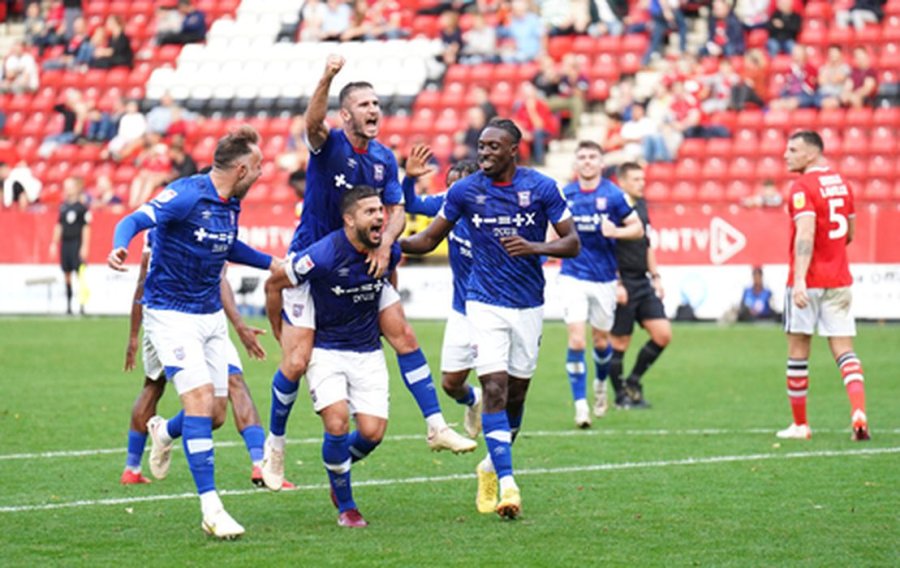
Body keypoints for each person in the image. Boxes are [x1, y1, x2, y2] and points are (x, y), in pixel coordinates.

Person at [259, 55, 475, 492]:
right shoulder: (329, 143)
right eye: (364, 104)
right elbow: (313, 122)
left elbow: (397, 210)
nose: (374, 110)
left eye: (377, 103)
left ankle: (435, 425)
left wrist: (385, 242)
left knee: (405, 337)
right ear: (346, 113)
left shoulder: (382, 159)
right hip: (313, 259)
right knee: (297, 362)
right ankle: (275, 444)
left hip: (362, 260)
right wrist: (326, 77)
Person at [401, 118, 581, 519]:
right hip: (482, 303)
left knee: (516, 395)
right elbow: (428, 238)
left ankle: (491, 464)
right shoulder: (465, 191)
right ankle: (508, 483)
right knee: (494, 388)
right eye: (481, 146)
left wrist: (534, 246)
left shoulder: (541, 187)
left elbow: (572, 242)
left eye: (493, 147)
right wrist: (389, 247)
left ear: (513, 149)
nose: (483, 153)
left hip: (529, 304)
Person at [108, 125, 279, 539]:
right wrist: (120, 245)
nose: (261, 174)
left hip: (209, 316)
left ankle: (164, 431)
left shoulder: (230, 203)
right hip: (171, 313)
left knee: (216, 413)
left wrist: (273, 263)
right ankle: (212, 508)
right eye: (257, 167)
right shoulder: (186, 194)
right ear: (240, 169)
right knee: (201, 400)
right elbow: (135, 218)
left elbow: (228, 246)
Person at [264, 186, 400, 528]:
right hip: (325, 347)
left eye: (380, 211)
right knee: (336, 420)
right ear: (349, 218)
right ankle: (347, 506)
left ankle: (337, 469)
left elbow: (391, 274)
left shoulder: (387, 249)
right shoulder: (322, 254)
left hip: (366, 349)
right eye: (370, 212)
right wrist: (279, 328)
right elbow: (275, 282)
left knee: (372, 433)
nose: (380, 217)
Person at [121, 230, 295, 490]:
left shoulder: (214, 220)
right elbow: (143, 279)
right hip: (165, 320)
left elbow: (219, 278)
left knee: (231, 385)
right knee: (155, 385)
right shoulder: (166, 223)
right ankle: (134, 466)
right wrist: (135, 333)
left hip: (206, 319)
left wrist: (238, 326)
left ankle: (261, 464)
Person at [778, 130, 869, 442]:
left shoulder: (802, 187)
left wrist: (801, 278)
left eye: (793, 150)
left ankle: (800, 425)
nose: (785, 155)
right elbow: (851, 233)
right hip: (839, 278)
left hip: (809, 280)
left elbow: (805, 232)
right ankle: (858, 411)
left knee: (798, 350)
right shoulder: (842, 185)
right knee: (844, 350)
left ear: (811, 154)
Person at [559, 142, 643, 427]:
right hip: (572, 275)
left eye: (592, 157)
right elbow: (551, 228)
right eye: (581, 157)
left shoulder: (613, 194)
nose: (586, 162)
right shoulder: (565, 194)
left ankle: (600, 384)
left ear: (601, 162)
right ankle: (580, 406)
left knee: (601, 340)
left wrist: (616, 231)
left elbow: (638, 228)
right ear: (576, 162)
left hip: (605, 279)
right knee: (577, 339)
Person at [403, 153, 483, 437]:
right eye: (449, 187)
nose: (451, 194)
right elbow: (410, 204)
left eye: (457, 187)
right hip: (463, 310)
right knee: (451, 384)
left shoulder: (495, 213)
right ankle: (474, 400)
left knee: (498, 381)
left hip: (497, 309)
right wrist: (411, 178)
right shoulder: (447, 204)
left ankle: (502, 461)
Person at [610, 162, 672, 408]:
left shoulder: (642, 207)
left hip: (643, 281)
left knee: (663, 334)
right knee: (620, 342)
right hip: (622, 281)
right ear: (622, 182)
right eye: (635, 179)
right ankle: (619, 396)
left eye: (642, 179)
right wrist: (617, 283)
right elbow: (608, 249)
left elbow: (647, 245)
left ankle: (633, 380)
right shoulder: (615, 209)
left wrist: (656, 277)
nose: (641, 184)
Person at [50, 177, 91, 315]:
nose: (67, 189)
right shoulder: (63, 207)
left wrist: (85, 246)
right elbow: (59, 225)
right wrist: (54, 243)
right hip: (65, 243)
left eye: (69, 186)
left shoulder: (82, 208)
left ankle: (82, 305)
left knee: (79, 274)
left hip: (76, 242)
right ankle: (68, 306)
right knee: (66, 274)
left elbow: (86, 228)